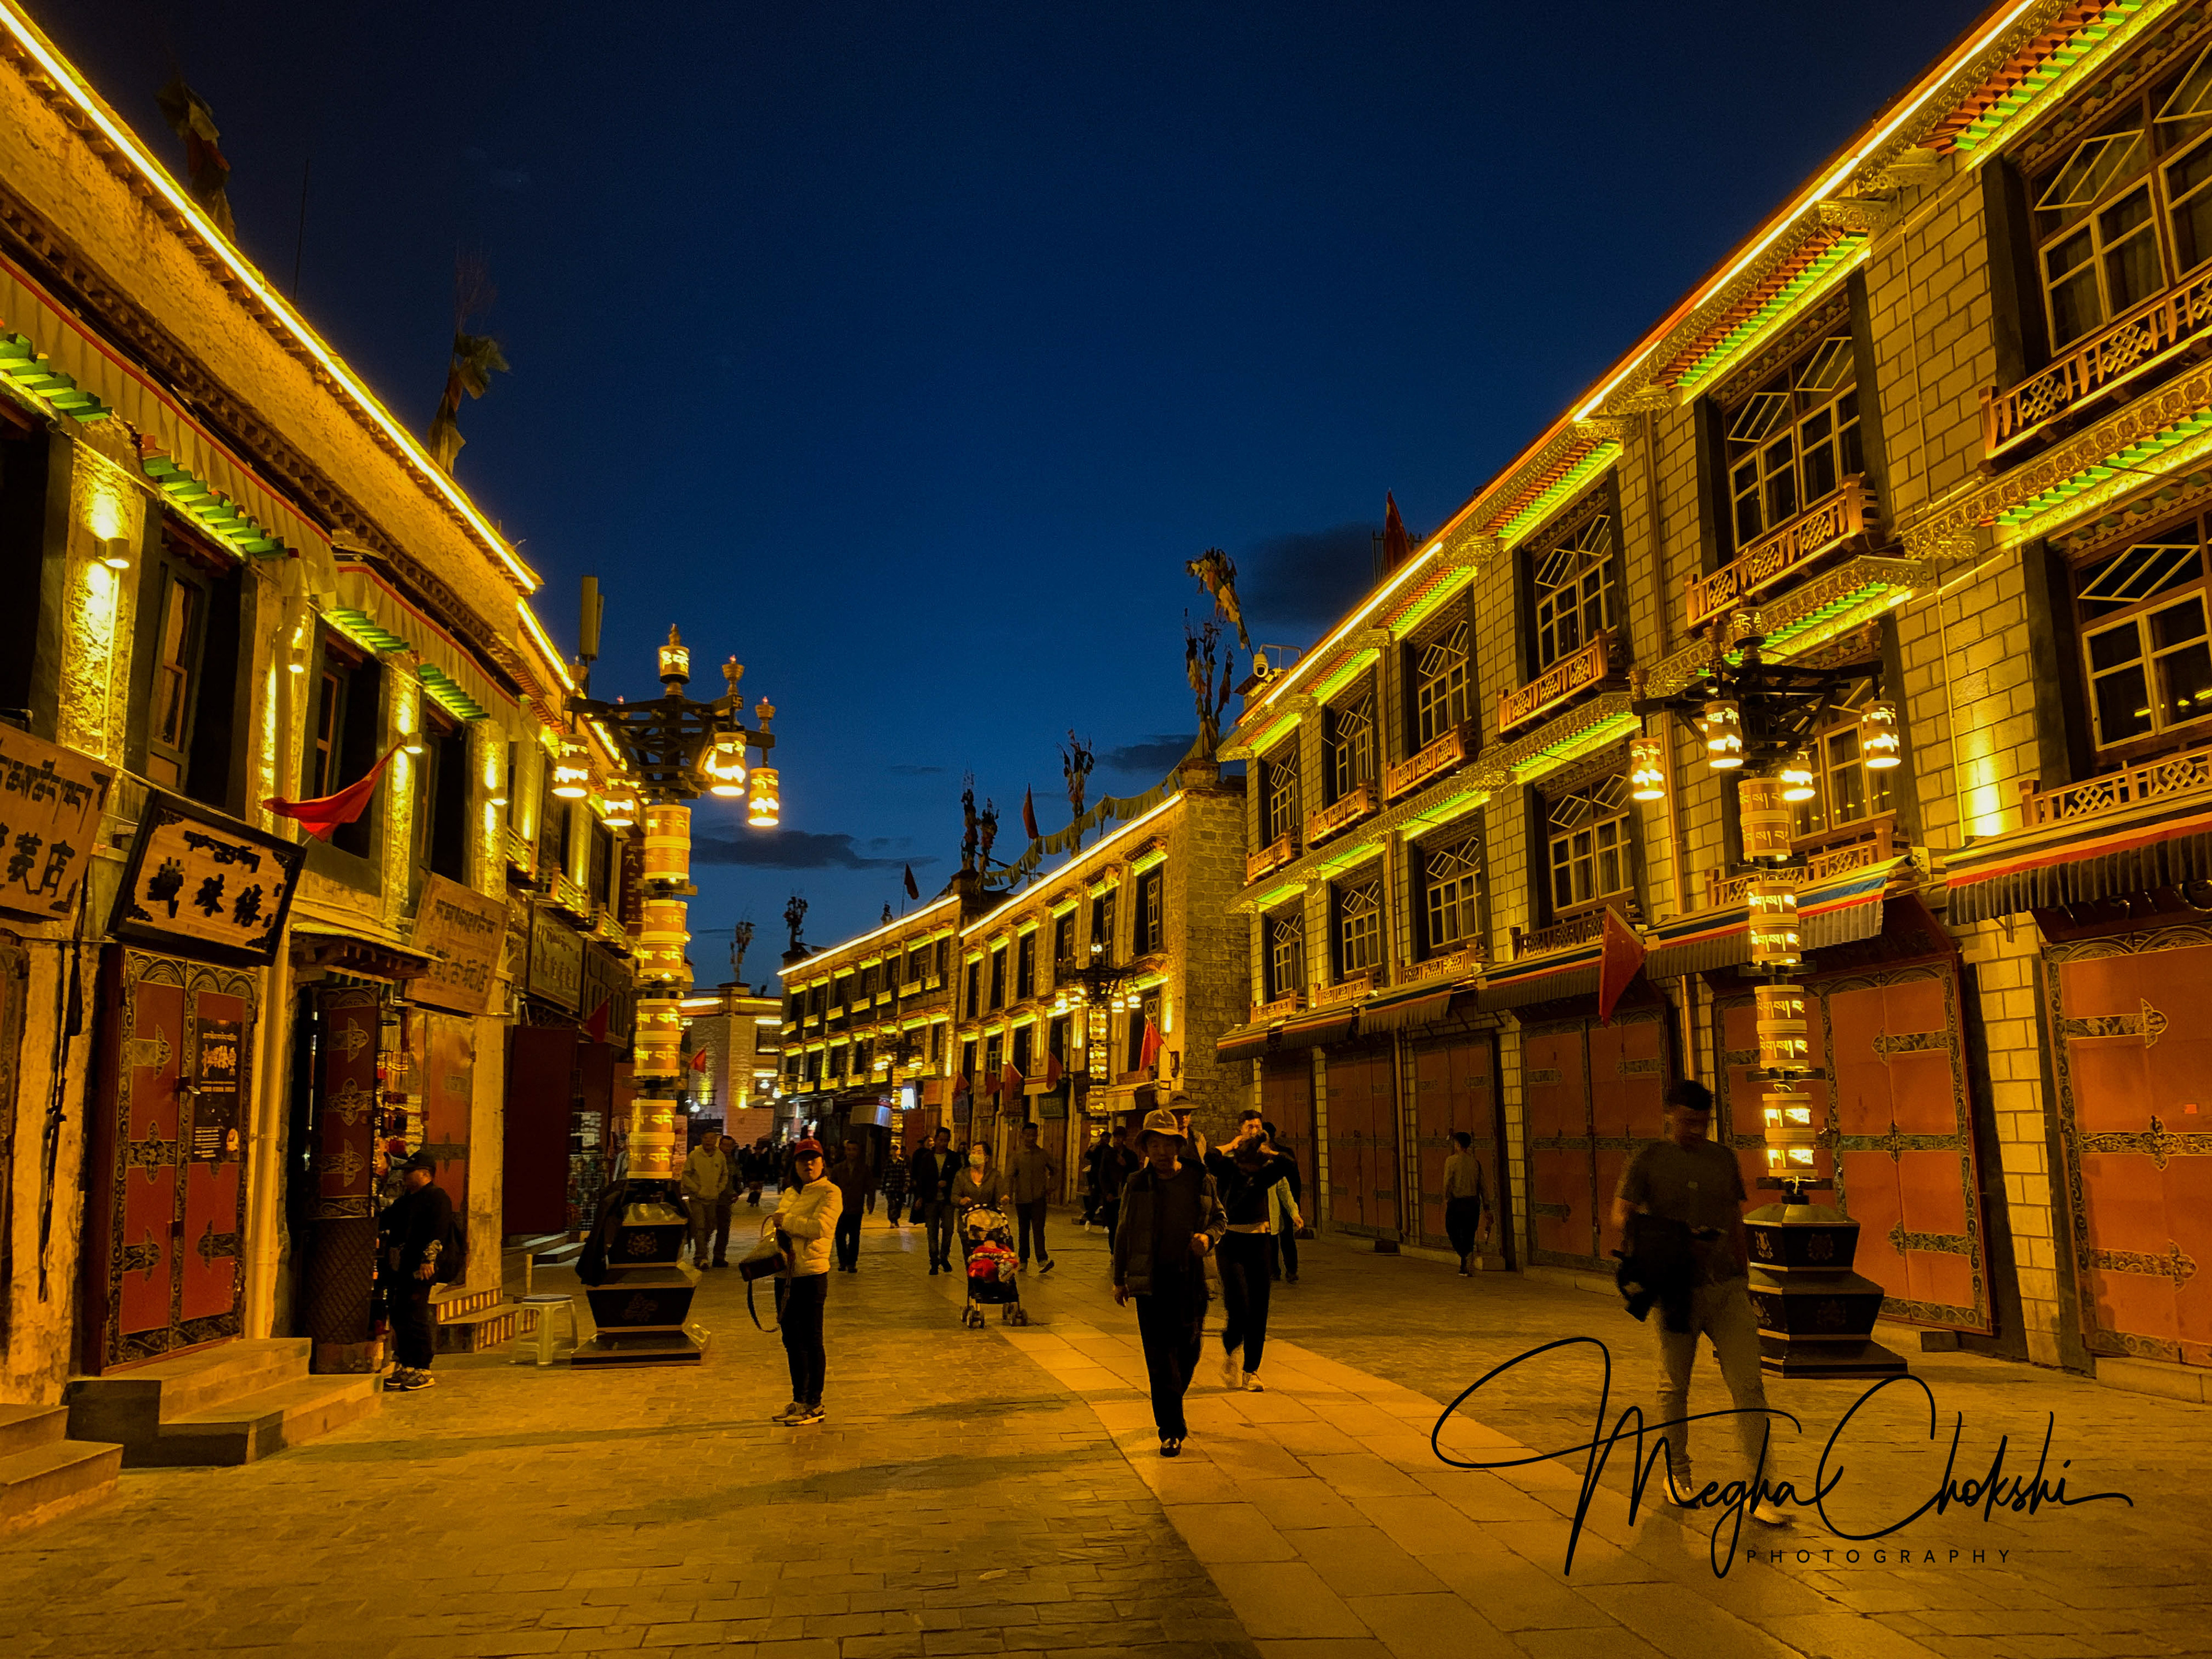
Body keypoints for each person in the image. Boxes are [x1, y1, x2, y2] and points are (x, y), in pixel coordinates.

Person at [1612, 1079, 1791, 1527]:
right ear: (1670, 1114)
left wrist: (1745, 1269)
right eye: (1687, 1121)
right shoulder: (1649, 1159)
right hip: (1676, 1287)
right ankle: (1678, 1473)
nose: (1695, 1129)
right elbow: (1621, 1212)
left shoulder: (1722, 1159)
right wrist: (1662, 1235)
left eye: (1702, 1122)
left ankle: (1759, 1488)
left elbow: (1734, 1217)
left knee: (1749, 1385)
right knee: (1674, 1385)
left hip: (1726, 1286)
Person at [1112, 1107, 1225, 1457]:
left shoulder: (1200, 1179)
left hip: (1191, 1280)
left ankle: (1173, 1398)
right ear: (1145, 1148)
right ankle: (1170, 1429)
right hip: (1150, 1283)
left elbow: (1220, 1218)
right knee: (1160, 1358)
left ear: (1179, 1145)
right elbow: (1124, 1231)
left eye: (1168, 1144)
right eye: (1154, 1145)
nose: (1162, 1153)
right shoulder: (1137, 1183)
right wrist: (1120, 1279)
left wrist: (1208, 1238)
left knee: (1189, 1352)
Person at [1205, 1116, 1298, 1393]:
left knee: (1259, 1309)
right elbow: (1209, 1156)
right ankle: (1231, 1350)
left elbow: (1289, 1162)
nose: (1250, 1173)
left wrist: (1267, 1149)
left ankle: (1251, 1370)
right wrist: (1232, 1145)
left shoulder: (1264, 1172)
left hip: (1259, 1243)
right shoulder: (1228, 1168)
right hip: (1230, 1241)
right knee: (1239, 1306)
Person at [763, 1138, 842, 1426]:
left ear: (823, 1163)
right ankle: (799, 1399)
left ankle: (814, 1403)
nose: (808, 1164)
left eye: (813, 1159)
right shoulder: (791, 1192)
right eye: (802, 1160)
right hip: (785, 1275)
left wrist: (785, 1221)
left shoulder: (831, 1193)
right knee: (791, 1340)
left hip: (811, 1274)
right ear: (794, 1165)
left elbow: (820, 1228)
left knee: (811, 1340)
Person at [382, 1152, 454, 1393]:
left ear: (425, 1174)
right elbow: (388, 1221)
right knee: (400, 1314)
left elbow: (439, 1230)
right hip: (401, 1265)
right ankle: (406, 1364)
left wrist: (429, 1259)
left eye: (410, 1172)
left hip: (421, 1266)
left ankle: (423, 1367)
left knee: (415, 1314)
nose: (405, 1176)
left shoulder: (437, 1198)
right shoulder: (406, 1201)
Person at [1007, 1121, 1058, 1273]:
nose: (1031, 1138)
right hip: (1022, 1198)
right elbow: (1010, 1176)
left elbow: (1055, 1170)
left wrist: (1051, 1187)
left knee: (1039, 1229)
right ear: (1022, 1136)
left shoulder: (1043, 1155)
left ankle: (1042, 1259)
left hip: (1038, 1198)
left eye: (1034, 1135)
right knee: (1023, 1230)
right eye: (1028, 1135)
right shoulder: (1017, 1156)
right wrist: (1008, 1194)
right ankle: (1023, 1260)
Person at [680, 1131, 733, 1267]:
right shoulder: (694, 1155)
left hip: (713, 1198)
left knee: (710, 1227)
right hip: (697, 1198)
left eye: (711, 1139)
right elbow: (686, 1175)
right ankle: (700, 1258)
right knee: (700, 1227)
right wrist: (696, 1190)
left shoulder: (720, 1156)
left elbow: (724, 1175)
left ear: (716, 1140)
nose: (708, 1141)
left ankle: (704, 1251)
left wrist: (718, 1189)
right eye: (705, 1138)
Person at [911, 1128, 961, 1275]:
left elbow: (958, 1178)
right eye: (941, 1140)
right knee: (932, 1231)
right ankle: (934, 1261)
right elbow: (921, 1179)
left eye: (946, 1140)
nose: (943, 1143)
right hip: (931, 1199)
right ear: (936, 1140)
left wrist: (949, 1185)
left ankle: (944, 1256)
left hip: (947, 1201)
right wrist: (920, 1197)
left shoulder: (954, 1158)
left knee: (948, 1230)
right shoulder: (927, 1158)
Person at [1444, 1131, 1491, 1276]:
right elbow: (1483, 1186)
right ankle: (1465, 1266)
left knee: (1452, 1230)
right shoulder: (1475, 1163)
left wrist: (1446, 1198)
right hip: (1473, 1203)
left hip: (1457, 1202)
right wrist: (1486, 1206)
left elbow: (1447, 1182)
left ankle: (1465, 1255)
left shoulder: (1451, 1161)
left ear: (1458, 1145)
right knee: (1469, 1234)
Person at [1263, 1120, 1303, 1283]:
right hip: (1267, 1208)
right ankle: (1273, 1270)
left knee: (1287, 1237)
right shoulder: (1249, 1158)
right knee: (1271, 1240)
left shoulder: (1283, 1155)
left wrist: (1295, 1209)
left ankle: (1291, 1270)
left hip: (1284, 1203)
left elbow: (1290, 1184)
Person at [1094, 1123, 1139, 1250]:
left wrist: (1126, 1165)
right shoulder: (1108, 1154)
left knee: (1125, 1224)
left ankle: (1123, 1251)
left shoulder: (1131, 1156)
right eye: (1116, 1137)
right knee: (1113, 1225)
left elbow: (1135, 1174)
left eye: (1120, 1137)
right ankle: (1114, 1252)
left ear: (1124, 1139)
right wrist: (1107, 1192)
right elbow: (1103, 1175)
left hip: (1125, 1195)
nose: (1118, 1140)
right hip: (1111, 1196)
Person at [828, 1138, 868, 1271]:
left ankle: (852, 1263)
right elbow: (832, 1188)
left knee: (854, 1236)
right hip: (840, 1208)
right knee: (840, 1236)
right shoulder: (838, 1168)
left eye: (854, 1150)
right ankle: (842, 1261)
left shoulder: (864, 1169)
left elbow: (869, 1187)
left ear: (858, 1152)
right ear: (846, 1151)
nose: (851, 1152)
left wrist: (871, 1202)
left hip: (856, 1208)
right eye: (849, 1149)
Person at [951, 1138, 1006, 1217]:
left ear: (986, 1158)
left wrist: (1003, 1200)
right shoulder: (961, 1174)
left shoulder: (994, 1175)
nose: (975, 1155)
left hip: (989, 1220)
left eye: (979, 1153)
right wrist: (961, 1201)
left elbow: (1000, 1195)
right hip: (967, 1219)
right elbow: (954, 1196)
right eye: (973, 1152)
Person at [881, 1141, 910, 1226]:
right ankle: (892, 1220)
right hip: (890, 1188)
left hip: (899, 1188)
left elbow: (907, 1174)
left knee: (898, 1205)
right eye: (893, 1149)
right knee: (892, 1204)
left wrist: (906, 1185)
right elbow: (885, 1175)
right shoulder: (888, 1163)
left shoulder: (902, 1163)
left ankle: (896, 1219)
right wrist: (883, 1188)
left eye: (896, 1150)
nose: (895, 1151)